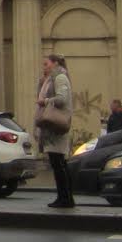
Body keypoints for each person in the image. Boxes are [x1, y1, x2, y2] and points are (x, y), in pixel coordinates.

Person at [35, 54, 76, 209]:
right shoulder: (50, 79)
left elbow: (62, 99)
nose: (44, 67)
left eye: (46, 64)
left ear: (55, 63)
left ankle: (65, 198)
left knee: (59, 163)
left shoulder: (60, 78)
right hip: (51, 128)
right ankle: (64, 197)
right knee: (57, 162)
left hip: (56, 126)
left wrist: (45, 101)